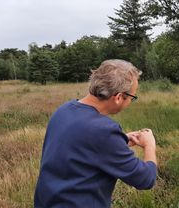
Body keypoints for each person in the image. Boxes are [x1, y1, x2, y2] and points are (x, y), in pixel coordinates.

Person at [34, 59, 157, 207]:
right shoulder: (104, 131)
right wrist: (150, 145)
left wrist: (121, 140)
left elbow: (79, 145)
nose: (131, 101)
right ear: (118, 97)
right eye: (132, 97)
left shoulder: (64, 110)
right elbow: (145, 179)